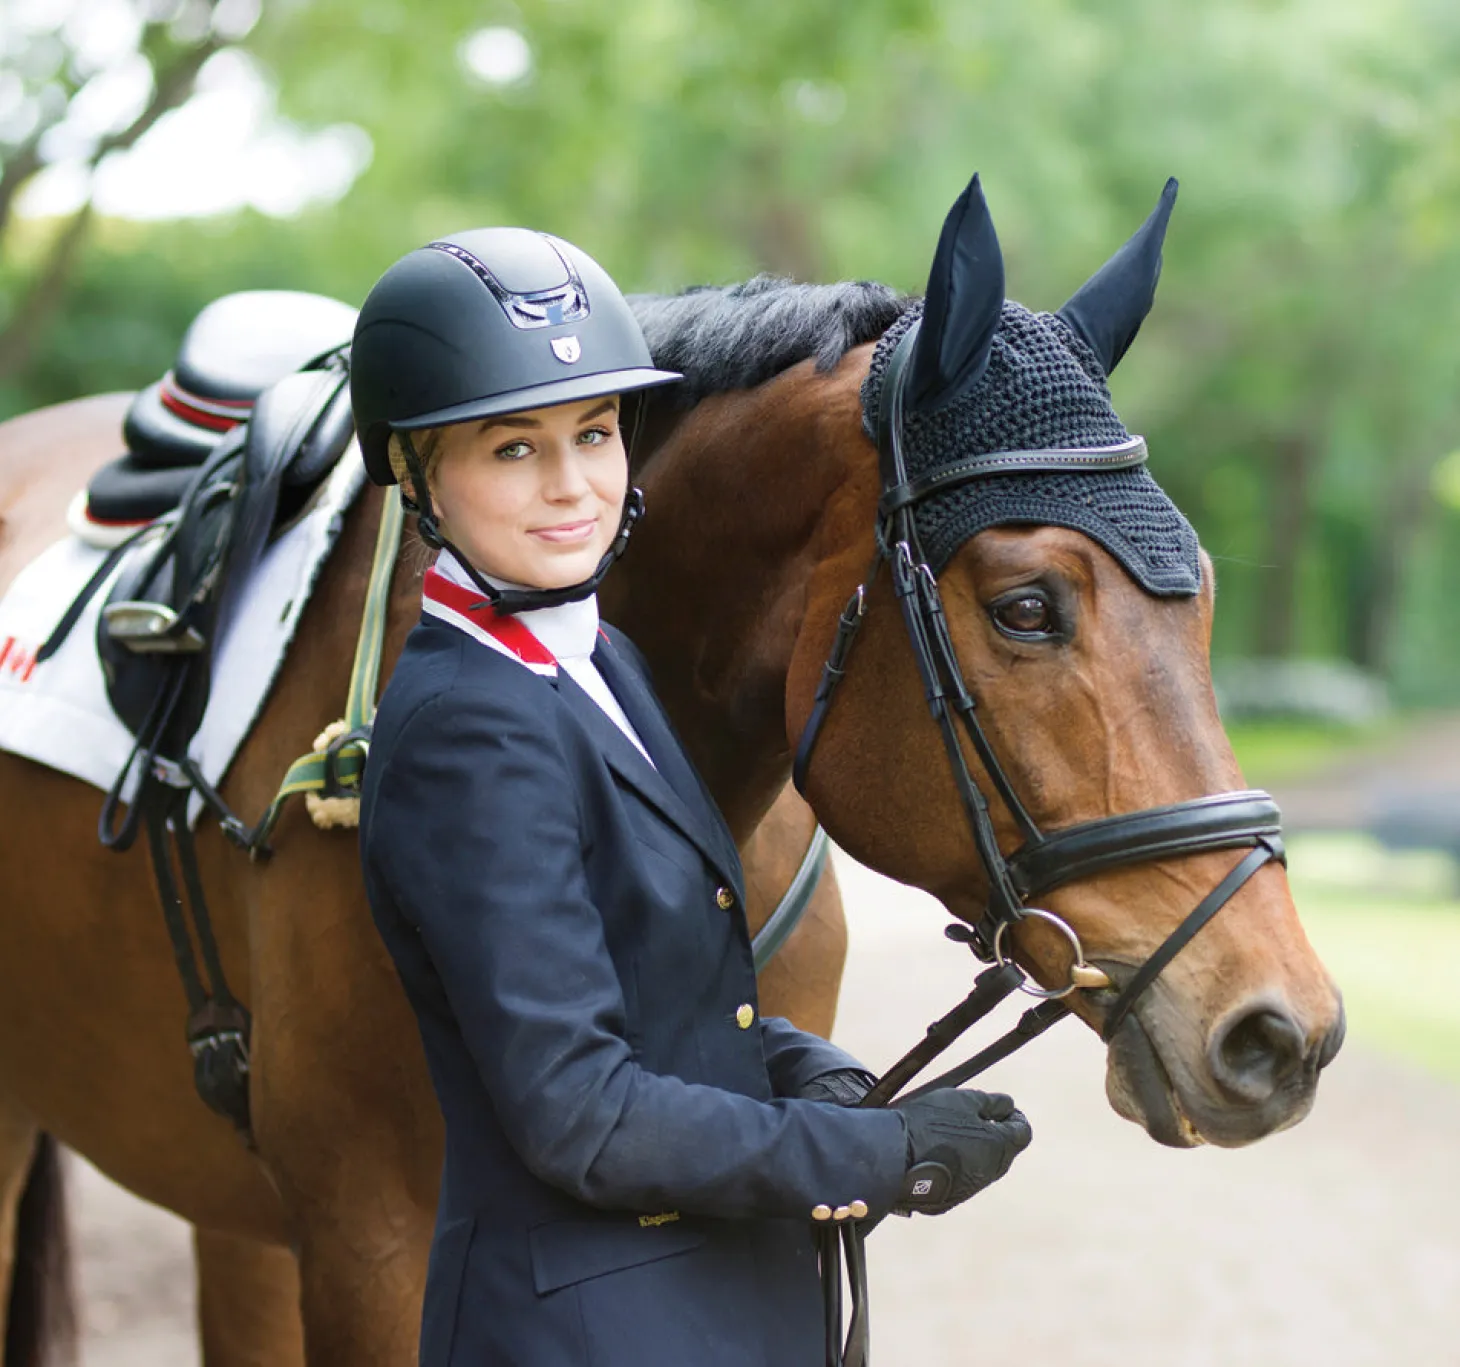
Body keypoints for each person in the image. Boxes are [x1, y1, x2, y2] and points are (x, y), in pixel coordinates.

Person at [351, 227, 1033, 1367]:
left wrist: (804, 1069)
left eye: (594, 432)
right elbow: (581, 1111)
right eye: (512, 449)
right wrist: (882, 1156)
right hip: (584, 1328)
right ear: (419, 472)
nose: (572, 484)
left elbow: (649, 999)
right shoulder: (466, 728)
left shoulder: (601, 657)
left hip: (714, 1301)